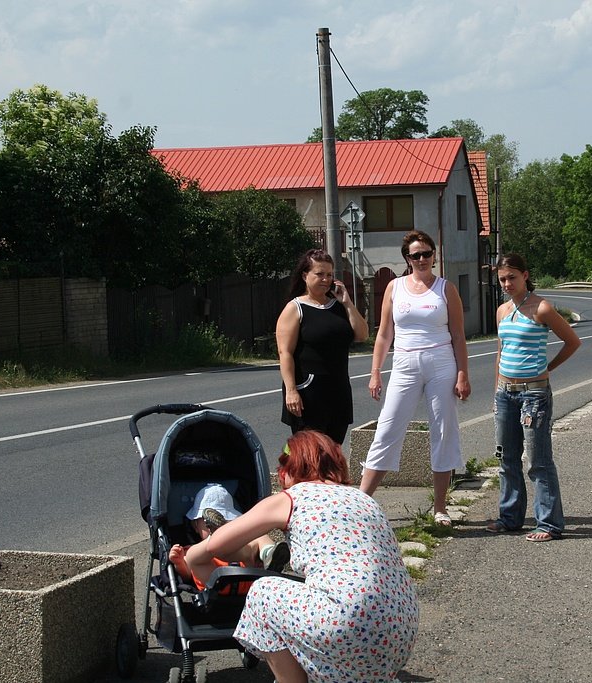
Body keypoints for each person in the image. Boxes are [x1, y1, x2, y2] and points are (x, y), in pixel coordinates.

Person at [185, 430, 418, 683]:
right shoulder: (364, 499)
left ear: (288, 470)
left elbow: (218, 544)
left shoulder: (292, 497)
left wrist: (192, 556)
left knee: (263, 595)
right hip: (401, 628)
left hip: (348, 618)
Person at [359, 230, 471, 527]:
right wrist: (375, 372)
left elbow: (458, 335)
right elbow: (384, 333)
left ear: (434, 255)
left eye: (426, 254)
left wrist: (462, 374)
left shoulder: (446, 289)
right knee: (387, 428)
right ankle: (361, 502)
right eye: (415, 255)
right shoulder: (395, 287)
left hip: (441, 363)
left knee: (443, 431)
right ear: (407, 259)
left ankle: (440, 508)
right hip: (404, 363)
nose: (422, 259)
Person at [488, 253, 582, 542]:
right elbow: (501, 352)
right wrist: (496, 390)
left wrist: (548, 367)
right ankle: (510, 518)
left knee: (538, 461)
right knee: (507, 459)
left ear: (525, 276)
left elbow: (572, 341)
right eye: (502, 279)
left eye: (512, 278)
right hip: (505, 393)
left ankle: (549, 524)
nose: (507, 284)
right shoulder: (502, 311)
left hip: (534, 395)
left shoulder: (541, 308)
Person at [276, 248, 369, 444]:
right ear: (305, 276)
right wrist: (291, 391)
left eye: (329, 274)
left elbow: (362, 335)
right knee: (309, 451)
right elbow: (285, 353)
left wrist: (347, 303)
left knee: (333, 450)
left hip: (338, 390)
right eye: (319, 274)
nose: (325, 279)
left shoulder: (339, 306)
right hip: (308, 392)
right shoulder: (295, 308)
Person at [167, 483, 289, 593]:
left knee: (258, 536)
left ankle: (268, 553)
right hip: (214, 583)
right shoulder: (194, 549)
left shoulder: (243, 543)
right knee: (192, 556)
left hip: (248, 578)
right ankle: (216, 537)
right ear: (195, 526)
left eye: (227, 519)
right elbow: (187, 576)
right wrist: (179, 563)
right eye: (206, 523)